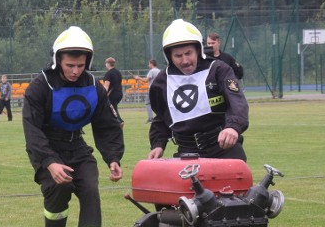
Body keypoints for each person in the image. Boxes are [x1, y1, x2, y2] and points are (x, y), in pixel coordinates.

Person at [22, 26, 124, 227]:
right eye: (70, 65)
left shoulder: (93, 86)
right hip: (47, 148)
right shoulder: (40, 85)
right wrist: (49, 162)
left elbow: (106, 124)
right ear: (58, 60)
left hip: (77, 147)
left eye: (80, 65)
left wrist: (113, 158)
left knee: (90, 189)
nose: (75, 71)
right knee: (59, 192)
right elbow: (32, 130)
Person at [148, 19, 249, 161]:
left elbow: (237, 102)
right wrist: (158, 144)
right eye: (178, 56)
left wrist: (233, 127)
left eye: (188, 53)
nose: (185, 61)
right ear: (169, 56)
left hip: (224, 149)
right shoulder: (162, 81)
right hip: (186, 153)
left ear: (198, 50)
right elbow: (162, 116)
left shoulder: (218, 69)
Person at [133, 58, 160, 123]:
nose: (148, 65)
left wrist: (138, 78)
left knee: (147, 102)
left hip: (152, 90)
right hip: (158, 89)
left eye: (149, 64)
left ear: (151, 64)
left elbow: (146, 80)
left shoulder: (152, 71)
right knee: (157, 104)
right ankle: (159, 117)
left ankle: (150, 118)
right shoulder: (159, 71)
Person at [101, 57, 124, 125]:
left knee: (111, 109)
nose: (105, 64)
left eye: (106, 63)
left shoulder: (109, 73)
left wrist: (103, 95)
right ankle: (114, 123)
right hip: (119, 93)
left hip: (112, 94)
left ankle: (119, 122)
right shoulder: (118, 72)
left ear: (108, 64)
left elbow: (106, 87)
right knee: (111, 108)